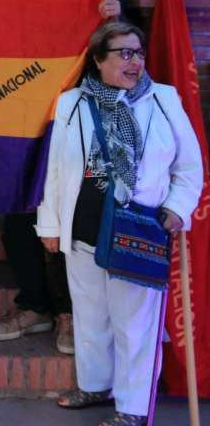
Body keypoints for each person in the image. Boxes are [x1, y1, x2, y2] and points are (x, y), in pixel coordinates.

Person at [38, 22, 202, 426]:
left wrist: (178, 208)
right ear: (98, 60)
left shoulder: (163, 99)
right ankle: (96, 384)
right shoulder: (72, 103)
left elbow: (189, 166)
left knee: (135, 325)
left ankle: (131, 408)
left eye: (139, 52)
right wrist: (50, 224)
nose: (135, 61)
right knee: (91, 314)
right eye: (124, 53)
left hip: (136, 229)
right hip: (84, 227)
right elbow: (55, 169)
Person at [0, 0, 125, 354]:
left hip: (80, 123)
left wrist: (116, 19)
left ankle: (69, 311)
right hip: (19, 118)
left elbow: (129, 55)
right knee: (17, 213)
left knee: (72, 214)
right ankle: (34, 305)